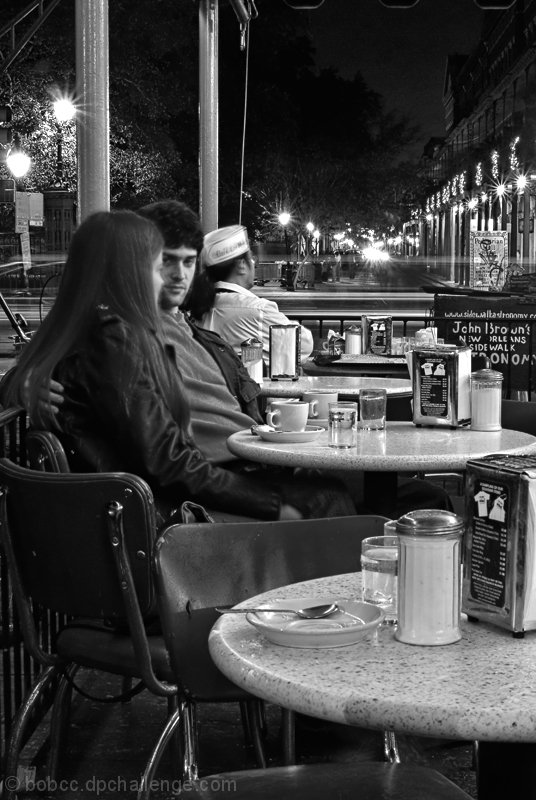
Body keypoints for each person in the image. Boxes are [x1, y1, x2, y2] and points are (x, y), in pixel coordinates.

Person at [3, 210, 355, 523]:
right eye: (159, 264)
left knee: (334, 491)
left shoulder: (115, 333)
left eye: (187, 263)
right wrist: (273, 505)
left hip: (146, 509)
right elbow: (168, 460)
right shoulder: (117, 339)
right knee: (333, 499)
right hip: (169, 517)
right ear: (129, 270)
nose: (171, 277)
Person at [186, 225, 314, 365]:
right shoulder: (258, 311)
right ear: (241, 265)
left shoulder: (195, 309)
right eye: (252, 258)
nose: (254, 263)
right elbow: (304, 345)